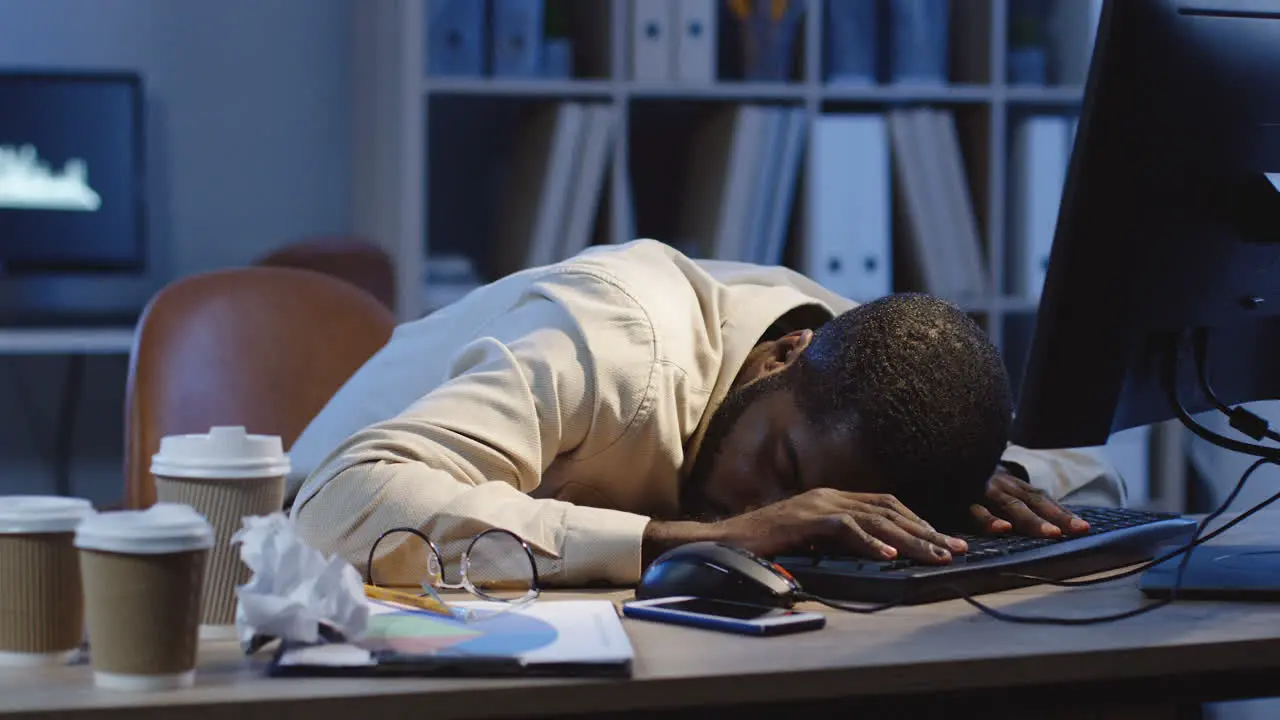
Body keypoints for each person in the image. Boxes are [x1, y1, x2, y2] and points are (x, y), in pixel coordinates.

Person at [288, 240, 1124, 587]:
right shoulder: (607, 339)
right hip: (282, 593)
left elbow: (1096, 475)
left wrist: (987, 484)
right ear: (784, 356)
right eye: (788, 475)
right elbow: (336, 504)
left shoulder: (859, 375)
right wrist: (697, 537)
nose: (790, 513)